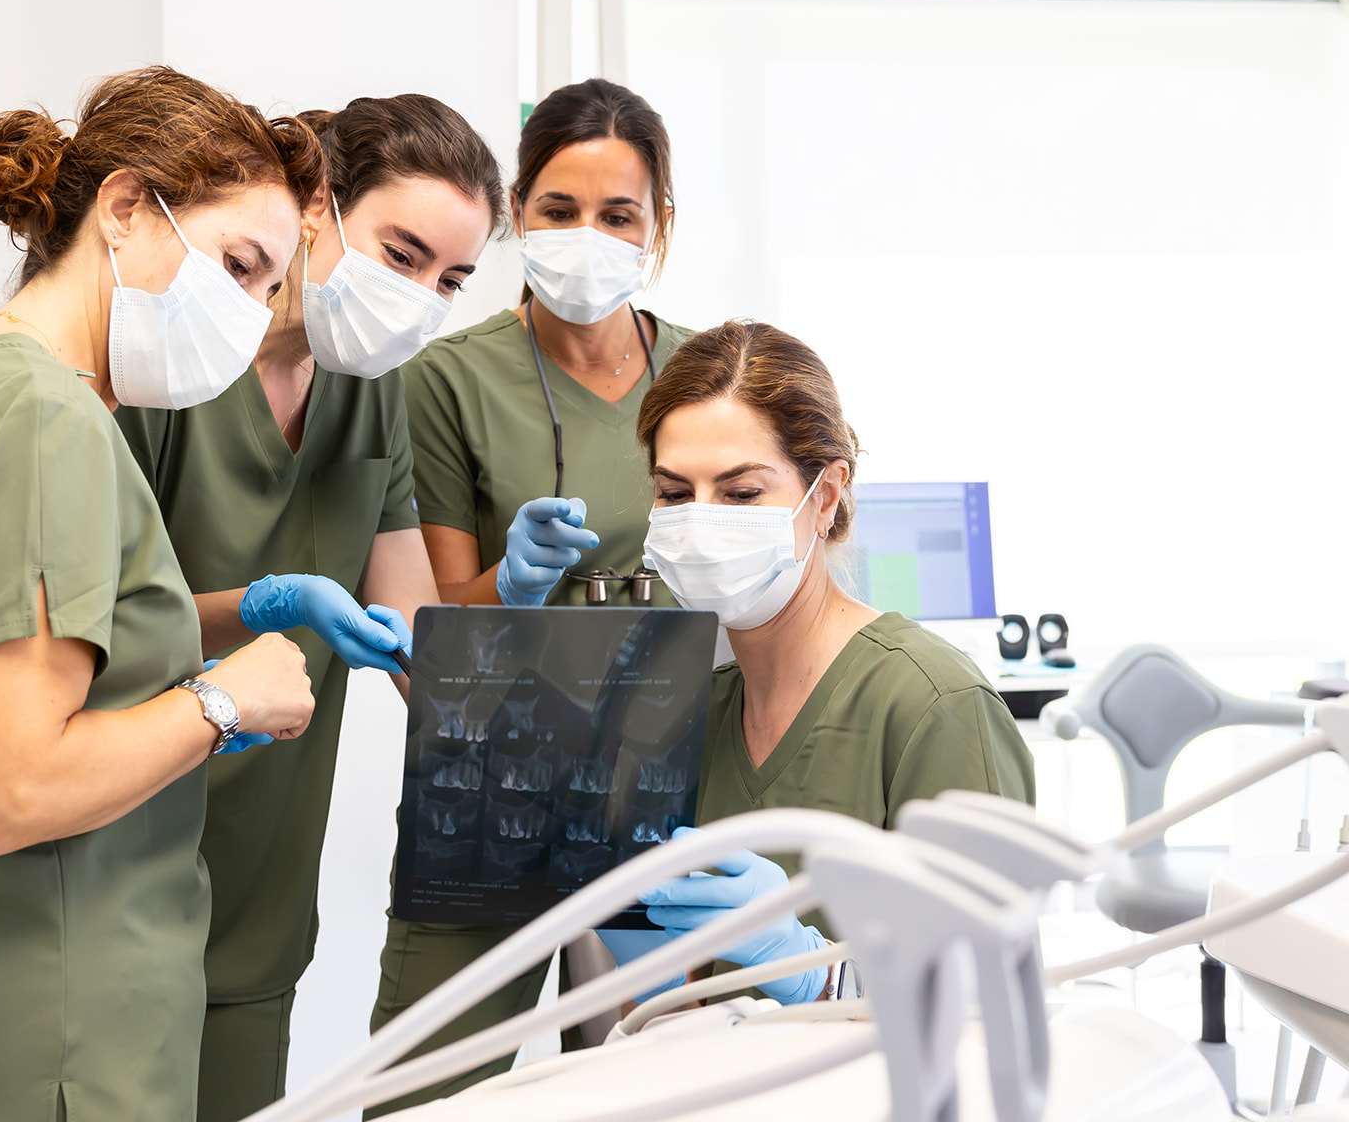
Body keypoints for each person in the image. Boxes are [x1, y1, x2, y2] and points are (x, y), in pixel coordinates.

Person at [0, 67, 322, 1122]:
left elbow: (44, 656)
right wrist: (225, 701)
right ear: (124, 208)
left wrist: (233, 622)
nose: (253, 315)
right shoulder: (45, 423)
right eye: (238, 265)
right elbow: (12, 791)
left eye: (271, 290)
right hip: (34, 1049)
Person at [115, 93, 506, 1122]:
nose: (419, 299)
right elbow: (93, 620)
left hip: (261, 895)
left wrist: (513, 619)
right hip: (117, 862)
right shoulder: (169, 359)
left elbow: (421, 644)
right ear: (319, 205)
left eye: (450, 279)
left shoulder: (372, 389)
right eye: (402, 253)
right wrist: (267, 604)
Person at [366, 78, 693, 1113]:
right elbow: (429, 628)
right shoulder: (446, 380)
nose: (587, 236)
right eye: (558, 209)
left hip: (664, 780)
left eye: (618, 214)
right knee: (429, 1091)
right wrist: (513, 582)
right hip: (493, 777)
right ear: (517, 212)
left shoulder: (707, 376)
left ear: (659, 224)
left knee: (668, 1083)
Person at [633, 320, 1035, 997]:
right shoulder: (697, 712)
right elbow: (688, 975)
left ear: (823, 497)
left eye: (741, 494)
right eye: (674, 494)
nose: (700, 525)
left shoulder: (935, 705)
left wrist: (815, 972)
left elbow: (983, 994)